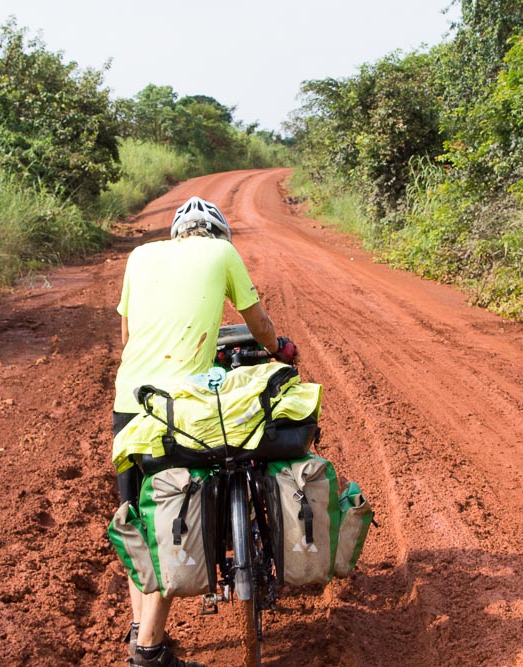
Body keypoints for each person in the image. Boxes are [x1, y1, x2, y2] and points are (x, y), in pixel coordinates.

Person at [112, 195, 298, 667]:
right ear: (218, 234)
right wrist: (280, 348)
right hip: (177, 408)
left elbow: (128, 340)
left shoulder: (139, 256)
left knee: (138, 519)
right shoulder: (222, 253)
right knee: (176, 518)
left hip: (130, 401)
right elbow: (257, 325)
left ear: (178, 233)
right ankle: (149, 654)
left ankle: (140, 628)